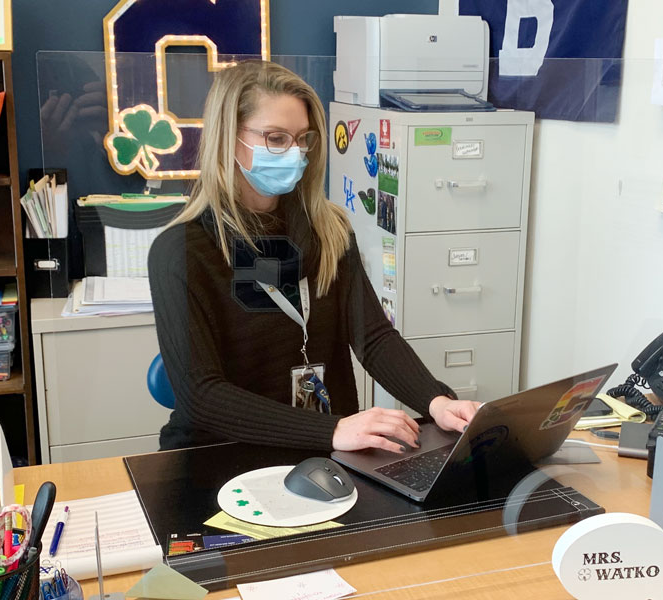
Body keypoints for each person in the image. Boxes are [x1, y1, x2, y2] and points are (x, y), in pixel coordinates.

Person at [148, 61, 480, 453]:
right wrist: (331, 431)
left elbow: (372, 337)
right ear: (228, 137)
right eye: (275, 138)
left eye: (302, 139)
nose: (294, 153)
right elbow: (201, 396)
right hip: (222, 454)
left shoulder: (329, 230)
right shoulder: (181, 252)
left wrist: (436, 400)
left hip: (323, 448)